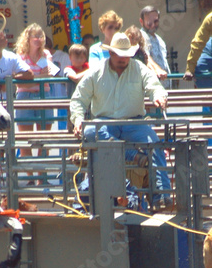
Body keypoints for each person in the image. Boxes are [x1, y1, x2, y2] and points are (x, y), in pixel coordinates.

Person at [70, 32, 172, 211]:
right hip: (104, 123)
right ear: (111, 53)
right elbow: (78, 99)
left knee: (155, 144)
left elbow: (154, 86)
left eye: (126, 56)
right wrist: (78, 119)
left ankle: (162, 196)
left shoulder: (139, 68)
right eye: (120, 55)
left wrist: (159, 97)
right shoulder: (96, 71)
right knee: (89, 131)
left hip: (134, 123)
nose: (124, 59)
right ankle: (133, 157)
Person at [14, 23, 57, 185]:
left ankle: (41, 178)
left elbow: (50, 76)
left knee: (43, 139)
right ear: (28, 38)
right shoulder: (20, 56)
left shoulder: (46, 54)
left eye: (41, 36)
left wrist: (31, 79)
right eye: (35, 36)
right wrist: (38, 78)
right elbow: (18, 82)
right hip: (24, 96)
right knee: (25, 140)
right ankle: (31, 177)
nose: (38, 39)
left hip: (43, 95)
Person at [139, 6, 171, 88]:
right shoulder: (140, 36)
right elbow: (146, 57)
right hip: (151, 89)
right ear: (141, 22)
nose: (153, 25)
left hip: (165, 87)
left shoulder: (160, 40)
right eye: (149, 23)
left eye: (156, 21)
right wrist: (157, 70)